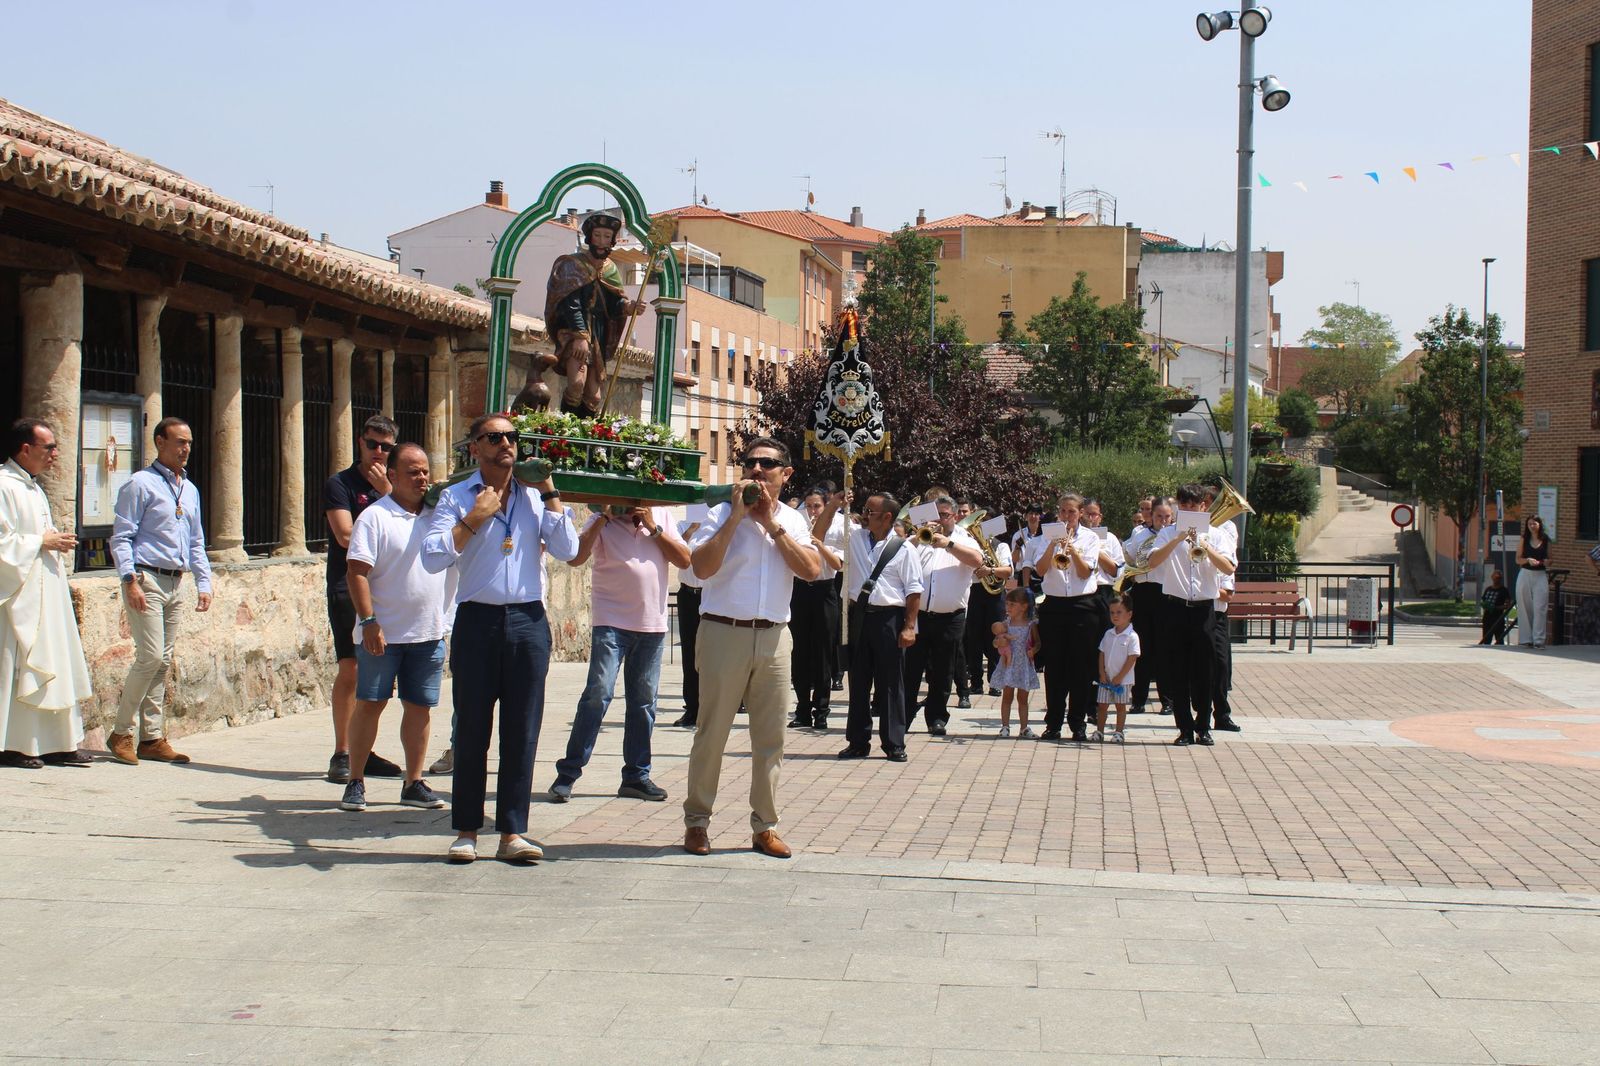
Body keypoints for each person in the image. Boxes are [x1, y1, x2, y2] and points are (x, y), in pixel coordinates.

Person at [422, 413, 578, 864]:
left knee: (522, 730)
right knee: (471, 729)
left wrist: (550, 491)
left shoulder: (533, 498)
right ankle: (467, 830)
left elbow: (568, 551)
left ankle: (512, 832)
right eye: (494, 437)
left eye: (512, 437)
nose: (505, 444)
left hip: (528, 621)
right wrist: (474, 518)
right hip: (477, 621)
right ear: (474, 447)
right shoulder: (455, 497)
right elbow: (433, 558)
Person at [681, 437, 820, 859]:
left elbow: (812, 571)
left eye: (768, 464)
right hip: (725, 630)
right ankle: (697, 822)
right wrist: (737, 518)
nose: (757, 470)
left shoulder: (794, 521)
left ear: (786, 474)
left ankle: (765, 827)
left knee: (770, 738)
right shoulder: (720, 512)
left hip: (775, 635)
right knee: (712, 734)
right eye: (750, 463)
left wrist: (771, 526)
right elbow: (700, 568)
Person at [550, 503, 690, 804]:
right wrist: (602, 518)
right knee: (597, 694)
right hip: (610, 622)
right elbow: (576, 558)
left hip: (651, 624)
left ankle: (636, 776)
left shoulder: (661, 516)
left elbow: (684, 559)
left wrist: (653, 528)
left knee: (643, 703)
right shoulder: (602, 520)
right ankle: (568, 773)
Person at [339, 443, 452, 814]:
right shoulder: (375, 517)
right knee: (371, 703)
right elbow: (356, 571)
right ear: (393, 476)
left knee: (420, 707)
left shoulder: (438, 516)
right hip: (382, 634)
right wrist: (369, 621)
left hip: (428, 632)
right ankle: (355, 780)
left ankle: (413, 781)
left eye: (425, 472)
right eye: (413, 472)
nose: (422, 478)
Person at [106, 417, 212, 766]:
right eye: (179, 441)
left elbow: (196, 540)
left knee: (163, 661)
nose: (185, 449)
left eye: (189, 443)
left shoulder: (190, 489)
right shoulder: (140, 484)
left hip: (176, 580)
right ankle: (121, 732)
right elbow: (122, 536)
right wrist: (129, 580)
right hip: (146, 578)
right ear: (159, 442)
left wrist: (204, 581)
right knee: (149, 656)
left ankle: (151, 737)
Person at [1, 419, 93, 769]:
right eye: (48, 447)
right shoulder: (4, 485)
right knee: (21, 664)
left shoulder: (33, 488)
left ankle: (58, 742)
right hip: (19, 595)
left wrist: (52, 539)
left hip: (46, 590)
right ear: (25, 449)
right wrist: (41, 541)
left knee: (56, 660)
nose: (55, 453)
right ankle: (16, 745)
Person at [324, 415, 403, 785]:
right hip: (347, 583)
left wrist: (389, 492)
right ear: (360, 442)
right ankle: (342, 751)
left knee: (378, 676)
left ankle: (363, 750)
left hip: (387, 586)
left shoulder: (397, 486)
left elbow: (416, 525)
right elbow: (345, 536)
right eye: (372, 444)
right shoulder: (341, 484)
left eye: (386, 447)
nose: (378, 452)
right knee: (351, 668)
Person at [1144, 484, 1236, 746]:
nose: (1188, 510)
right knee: (1178, 671)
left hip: (1204, 609)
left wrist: (1204, 546)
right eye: (1183, 506)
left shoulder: (1217, 536)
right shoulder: (1167, 534)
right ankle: (1184, 728)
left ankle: (1203, 727)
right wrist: (1177, 538)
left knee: (1205, 671)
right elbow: (1152, 562)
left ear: (1203, 507)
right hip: (1174, 607)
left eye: (1193, 506)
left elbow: (1228, 567)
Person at [834, 492, 923, 762]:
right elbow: (823, 530)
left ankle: (894, 743)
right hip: (860, 615)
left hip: (889, 618)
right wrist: (838, 504)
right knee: (858, 680)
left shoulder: (904, 548)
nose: (863, 514)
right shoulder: (856, 538)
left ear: (886, 517)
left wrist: (909, 627)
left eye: (869, 511)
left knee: (891, 682)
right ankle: (858, 741)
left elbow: (914, 591)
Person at [543, 212, 647, 416]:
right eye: (597, 236)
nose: (601, 242)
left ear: (612, 240)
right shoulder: (572, 264)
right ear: (589, 238)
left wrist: (628, 307)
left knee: (594, 396)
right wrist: (580, 337)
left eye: (606, 237)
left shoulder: (611, 269)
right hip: (576, 331)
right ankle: (566, 429)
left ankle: (587, 433)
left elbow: (612, 304)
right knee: (576, 383)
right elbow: (569, 302)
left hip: (598, 334)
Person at [1022, 493, 1104, 742]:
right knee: (1055, 667)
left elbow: (1084, 571)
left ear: (1080, 513)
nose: (1066, 517)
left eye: (1071, 512)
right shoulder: (1045, 537)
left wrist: (1072, 548)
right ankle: (1053, 723)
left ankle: (1078, 724)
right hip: (1054, 606)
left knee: (1081, 668)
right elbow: (1040, 570)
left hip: (1083, 606)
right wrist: (1052, 544)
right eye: (1063, 512)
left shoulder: (1091, 537)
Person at [904, 495, 984, 736]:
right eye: (936, 514)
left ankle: (937, 716)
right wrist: (918, 539)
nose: (940, 519)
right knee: (910, 669)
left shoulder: (964, 538)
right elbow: (901, 556)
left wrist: (947, 544)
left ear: (955, 516)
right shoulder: (919, 538)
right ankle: (904, 715)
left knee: (943, 670)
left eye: (945, 515)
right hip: (919, 616)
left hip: (950, 616)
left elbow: (978, 561)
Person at [788, 486, 846, 730]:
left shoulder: (839, 526)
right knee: (799, 651)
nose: (812, 511)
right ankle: (802, 708)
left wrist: (819, 544)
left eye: (817, 506)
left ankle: (821, 709)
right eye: (809, 506)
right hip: (800, 590)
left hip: (825, 589)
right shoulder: (797, 524)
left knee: (823, 651)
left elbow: (839, 565)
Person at [1122, 497, 1170, 715]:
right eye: (1156, 515)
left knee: (1164, 649)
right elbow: (1131, 558)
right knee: (1141, 648)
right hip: (1142, 591)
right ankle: (1138, 699)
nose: (1160, 519)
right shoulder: (1139, 533)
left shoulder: (1173, 535)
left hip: (1165, 591)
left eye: (1164, 515)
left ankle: (1168, 700)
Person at [1205, 492, 1243, 733]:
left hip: (1216, 613)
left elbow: (1228, 590)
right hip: (1195, 609)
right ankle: (1198, 717)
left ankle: (1222, 714)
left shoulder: (1223, 532)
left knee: (1219, 665)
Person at [964, 513, 1013, 698]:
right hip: (975, 591)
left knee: (996, 637)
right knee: (973, 638)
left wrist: (990, 570)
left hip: (995, 594)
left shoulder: (1001, 546)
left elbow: (1008, 571)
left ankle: (996, 682)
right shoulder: (969, 546)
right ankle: (975, 683)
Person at [990, 588, 1039, 739]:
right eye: (1007, 604)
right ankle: (1005, 726)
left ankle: (1024, 727)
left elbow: (1038, 643)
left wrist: (1034, 650)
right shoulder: (1006, 624)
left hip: (1023, 663)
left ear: (1024, 606)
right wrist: (998, 642)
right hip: (1009, 664)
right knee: (1007, 696)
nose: (1007, 608)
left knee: (1023, 698)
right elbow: (996, 640)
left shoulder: (1031, 624)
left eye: (1012, 604)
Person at [672, 512, 705, 728]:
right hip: (687, 594)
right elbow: (677, 552)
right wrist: (693, 527)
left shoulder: (717, 523)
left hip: (709, 594)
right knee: (690, 654)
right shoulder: (682, 525)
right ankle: (692, 708)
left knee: (712, 654)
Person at [1094, 595, 1141, 744]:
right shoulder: (1108, 633)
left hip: (1123, 680)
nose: (1115, 616)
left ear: (1129, 614)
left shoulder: (1132, 637)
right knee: (1102, 706)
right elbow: (1101, 653)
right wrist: (1102, 673)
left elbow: (1132, 658)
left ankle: (1119, 732)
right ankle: (1099, 731)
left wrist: (1120, 677)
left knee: (1120, 706)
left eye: (1119, 612)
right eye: (1112, 612)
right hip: (1106, 679)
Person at [1515, 516, 1550, 649]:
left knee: (1540, 607)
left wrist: (1547, 561)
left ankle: (1539, 639)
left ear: (1539, 524)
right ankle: (1526, 639)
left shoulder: (1546, 539)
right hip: (1525, 574)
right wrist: (1527, 560)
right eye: (1529, 524)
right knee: (1524, 606)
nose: (1532, 526)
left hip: (1540, 575)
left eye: (1534, 523)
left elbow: (1550, 558)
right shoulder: (1524, 539)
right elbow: (1517, 559)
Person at [1081, 499, 1124, 607]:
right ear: (1080, 515)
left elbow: (1117, 572)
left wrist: (1095, 548)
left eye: (1094, 514)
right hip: (1081, 589)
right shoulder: (1075, 537)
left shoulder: (1110, 538)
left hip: (1103, 590)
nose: (1090, 518)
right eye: (1087, 514)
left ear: (1100, 517)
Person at [1479, 570, 1512, 646]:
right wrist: (1485, 605)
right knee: (1486, 641)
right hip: (1487, 618)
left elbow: (1507, 605)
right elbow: (1483, 600)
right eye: (1495, 577)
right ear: (1492, 577)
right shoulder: (1488, 589)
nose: (1496, 579)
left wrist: (1496, 608)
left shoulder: (1504, 590)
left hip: (1498, 619)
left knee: (1499, 640)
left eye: (1499, 578)